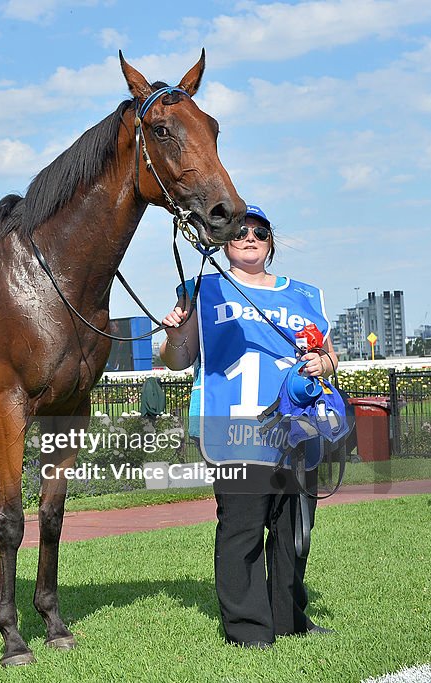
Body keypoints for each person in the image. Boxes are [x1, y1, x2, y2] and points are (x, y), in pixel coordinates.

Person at [159, 204, 339, 649]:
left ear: (271, 242)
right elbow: (177, 359)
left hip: (297, 430)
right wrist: (175, 332)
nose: (250, 236)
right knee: (242, 528)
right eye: (240, 229)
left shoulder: (304, 294)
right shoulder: (203, 289)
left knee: (293, 533)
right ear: (224, 239)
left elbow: (332, 359)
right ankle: (249, 630)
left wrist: (323, 361)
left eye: (259, 230)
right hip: (237, 429)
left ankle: (288, 618)